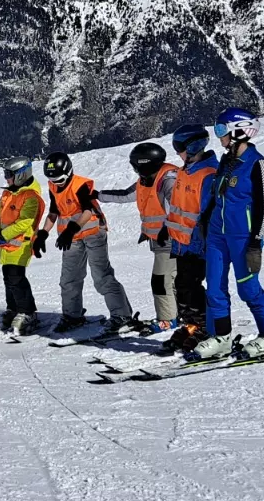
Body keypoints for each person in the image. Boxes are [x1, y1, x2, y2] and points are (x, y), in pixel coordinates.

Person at [190, 108, 264, 360]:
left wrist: (256, 241)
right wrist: (204, 220)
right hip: (216, 235)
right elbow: (216, 195)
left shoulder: (257, 164)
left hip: (243, 238)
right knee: (214, 287)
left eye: (221, 130)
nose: (218, 136)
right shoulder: (226, 161)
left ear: (239, 131)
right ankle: (221, 337)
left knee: (248, 289)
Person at [43, 152, 141, 334]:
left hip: (93, 233)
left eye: (59, 179)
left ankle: (122, 316)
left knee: (101, 276)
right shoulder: (53, 186)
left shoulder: (80, 185)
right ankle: (72, 316)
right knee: (69, 278)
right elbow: (53, 211)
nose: (57, 183)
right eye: (53, 180)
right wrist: (42, 233)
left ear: (68, 172)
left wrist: (71, 229)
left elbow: (87, 211)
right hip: (71, 237)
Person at [99, 142, 182, 333]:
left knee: (161, 280)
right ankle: (179, 314)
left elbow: (177, 208)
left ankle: (168, 319)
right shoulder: (147, 180)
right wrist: (97, 195)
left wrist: (166, 229)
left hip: (173, 240)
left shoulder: (167, 180)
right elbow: (126, 195)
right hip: (161, 240)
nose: (135, 170)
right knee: (173, 280)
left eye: (136, 165)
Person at [162, 125, 219, 353]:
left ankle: (205, 327)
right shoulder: (185, 171)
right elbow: (179, 207)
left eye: (179, 148)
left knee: (191, 285)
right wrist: (169, 228)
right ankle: (191, 324)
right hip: (181, 242)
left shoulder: (209, 174)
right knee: (181, 285)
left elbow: (206, 215)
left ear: (192, 146)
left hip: (198, 245)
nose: (177, 153)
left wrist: (201, 242)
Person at [0, 157, 45, 335]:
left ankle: (27, 311)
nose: (6, 178)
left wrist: (2, 234)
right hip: (5, 244)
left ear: (21, 175)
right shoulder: (9, 192)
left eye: (9, 174)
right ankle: (12, 308)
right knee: (8, 277)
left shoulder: (31, 197)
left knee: (16, 278)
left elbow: (25, 222)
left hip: (20, 244)